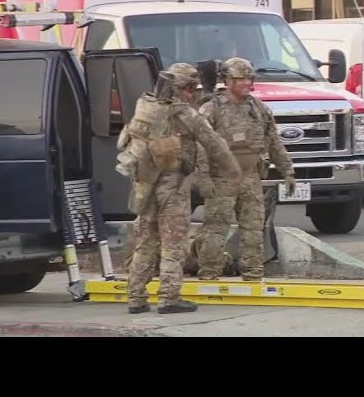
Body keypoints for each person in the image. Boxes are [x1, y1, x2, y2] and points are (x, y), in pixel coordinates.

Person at [117, 63, 241, 314]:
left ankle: (136, 298)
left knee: (145, 242)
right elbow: (214, 143)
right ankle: (169, 298)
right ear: (182, 88)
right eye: (190, 88)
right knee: (174, 243)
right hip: (173, 188)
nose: (193, 94)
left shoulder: (146, 107)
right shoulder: (186, 114)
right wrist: (233, 170)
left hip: (144, 186)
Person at [194, 57, 296, 281]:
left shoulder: (259, 110)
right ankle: (209, 273)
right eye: (240, 79)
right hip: (221, 179)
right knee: (215, 229)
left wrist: (287, 171)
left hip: (250, 178)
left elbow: (274, 142)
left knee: (252, 229)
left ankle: (253, 273)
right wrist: (204, 178)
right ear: (227, 81)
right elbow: (200, 147)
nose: (246, 83)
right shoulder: (211, 109)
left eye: (249, 78)